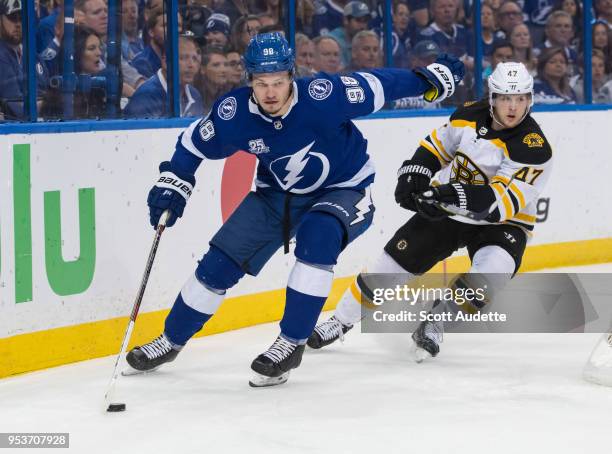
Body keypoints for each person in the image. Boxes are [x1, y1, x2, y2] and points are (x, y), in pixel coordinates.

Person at [125, 32, 465, 387]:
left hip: (344, 189)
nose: (270, 93)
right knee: (217, 266)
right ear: (249, 81)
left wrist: (429, 79)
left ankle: (291, 343)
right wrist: (175, 180)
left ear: (291, 77)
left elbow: (378, 84)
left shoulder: (324, 96)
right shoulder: (234, 113)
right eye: (261, 84)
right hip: (276, 196)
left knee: (318, 235)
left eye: (278, 82)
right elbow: (192, 142)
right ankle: (171, 340)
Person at [309, 62, 553, 364]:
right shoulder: (467, 115)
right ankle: (341, 320)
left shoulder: (535, 148)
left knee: (493, 272)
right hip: (449, 207)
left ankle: (437, 322)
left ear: (530, 99)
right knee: (390, 266)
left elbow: (496, 204)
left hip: (504, 221)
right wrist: (415, 174)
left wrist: (444, 193)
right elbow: (437, 146)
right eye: (505, 98)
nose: (513, 107)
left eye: (520, 99)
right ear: (492, 98)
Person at [123, 35, 203, 118]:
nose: (191, 65)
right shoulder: (145, 97)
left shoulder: (195, 95)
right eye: (184, 58)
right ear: (166, 62)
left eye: (194, 59)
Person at [327, 1, 371, 69]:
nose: (362, 26)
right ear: (346, 20)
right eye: (358, 20)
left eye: (365, 21)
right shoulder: (333, 41)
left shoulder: (367, 40)